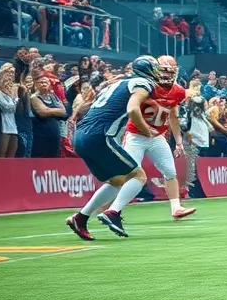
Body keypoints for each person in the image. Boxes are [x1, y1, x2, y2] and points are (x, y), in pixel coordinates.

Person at [65, 56, 160, 240]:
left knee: (116, 180)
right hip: (99, 135)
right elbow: (133, 110)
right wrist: (145, 129)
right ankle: (113, 212)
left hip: (81, 135)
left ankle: (80, 218)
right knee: (138, 175)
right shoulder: (142, 83)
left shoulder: (118, 83)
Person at [120, 55, 195, 220]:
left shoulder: (177, 91)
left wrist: (179, 142)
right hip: (135, 134)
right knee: (128, 171)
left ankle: (176, 207)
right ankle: (112, 207)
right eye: (164, 71)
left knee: (169, 171)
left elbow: (174, 116)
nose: (167, 74)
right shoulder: (145, 85)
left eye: (171, 71)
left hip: (157, 136)